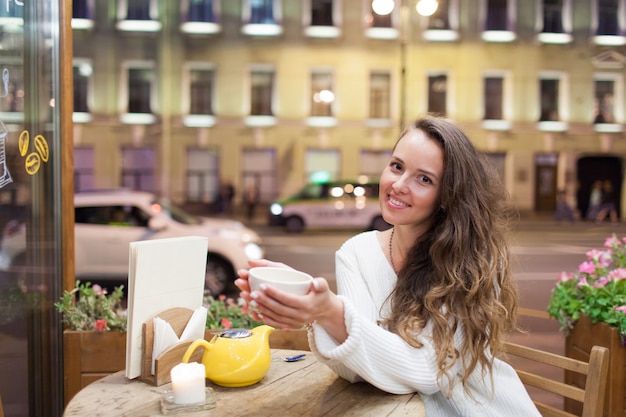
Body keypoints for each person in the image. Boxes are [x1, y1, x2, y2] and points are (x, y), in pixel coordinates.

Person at [236, 116, 540, 416]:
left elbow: (426, 373)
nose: (398, 185)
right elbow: (354, 372)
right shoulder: (355, 252)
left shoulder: (472, 258)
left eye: (424, 179)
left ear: (448, 196)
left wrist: (331, 312)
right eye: (397, 166)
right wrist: (315, 307)